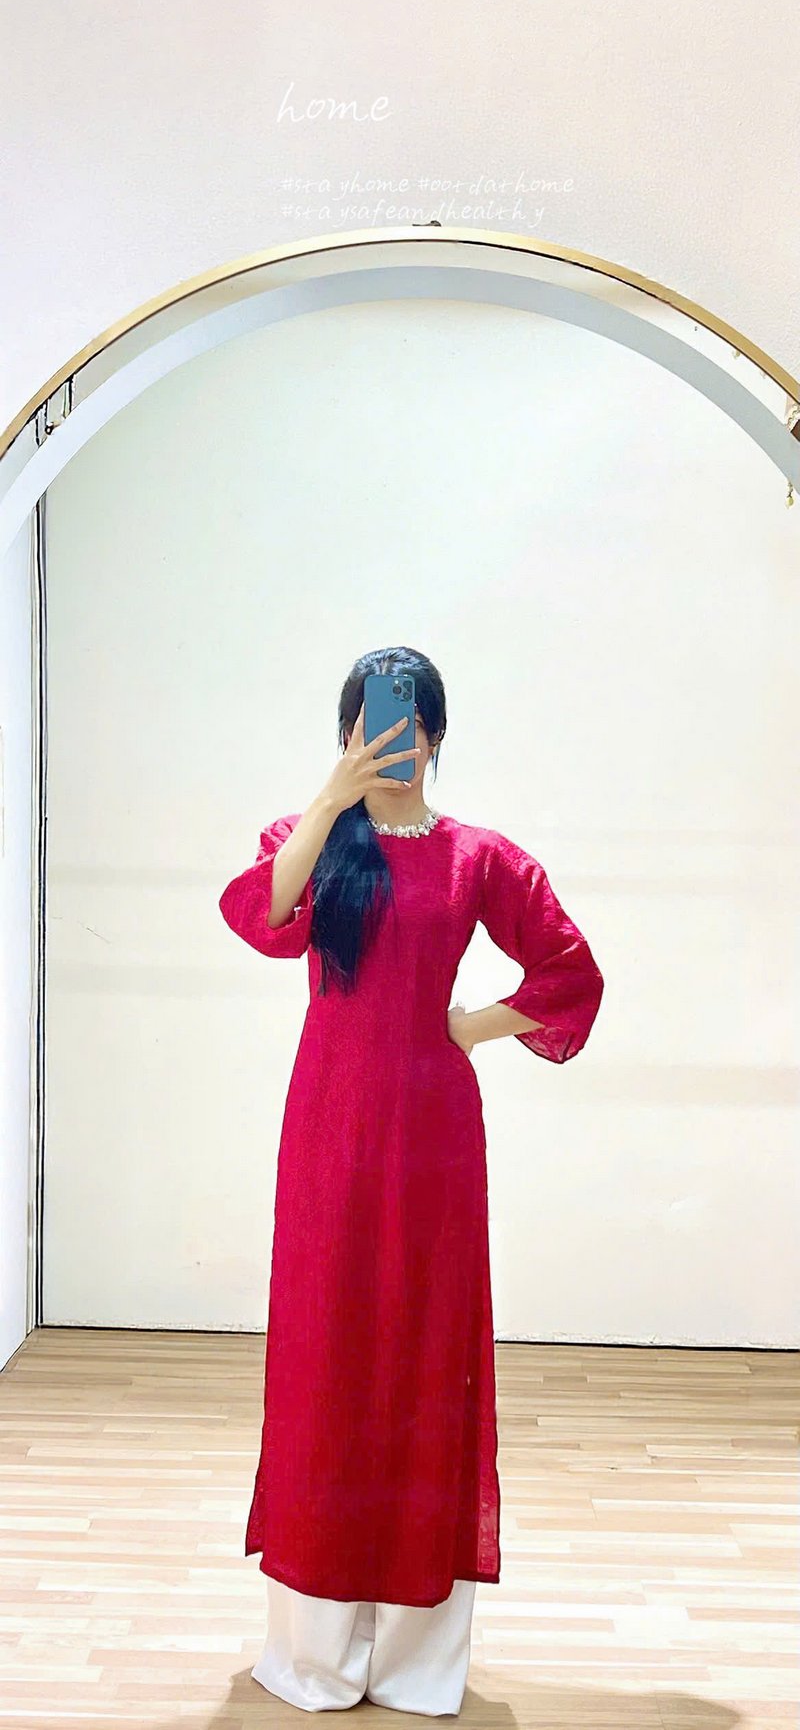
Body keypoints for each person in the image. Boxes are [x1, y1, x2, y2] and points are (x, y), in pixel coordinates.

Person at [218, 646, 605, 1714]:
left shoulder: (480, 859)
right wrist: (328, 797)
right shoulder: (308, 840)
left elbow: (570, 971)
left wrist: (471, 1027)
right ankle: (314, 1649)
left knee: (426, 1353)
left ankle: (415, 1656)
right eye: (370, 721)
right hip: (330, 1127)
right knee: (326, 1353)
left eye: (409, 720)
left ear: (436, 732)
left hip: (433, 1133)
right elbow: (262, 918)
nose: (393, 738)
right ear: (347, 731)